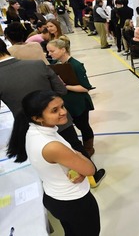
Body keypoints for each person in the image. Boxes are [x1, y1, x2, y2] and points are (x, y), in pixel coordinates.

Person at [0, 40, 105, 188]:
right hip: (58, 120)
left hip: (29, 127)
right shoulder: (37, 65)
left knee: (45, 159)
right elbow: (61, 90)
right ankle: (92, 177)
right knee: (74, 146)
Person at [7, 90, 100, 236]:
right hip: (74, 202)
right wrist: (78, 155)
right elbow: (90, 169)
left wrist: (76, 166)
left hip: (55, 196)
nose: (63, 112)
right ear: (37, 117)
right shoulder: (51, 146)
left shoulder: (34, 130)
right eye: (55, 110)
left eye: (62, 106)